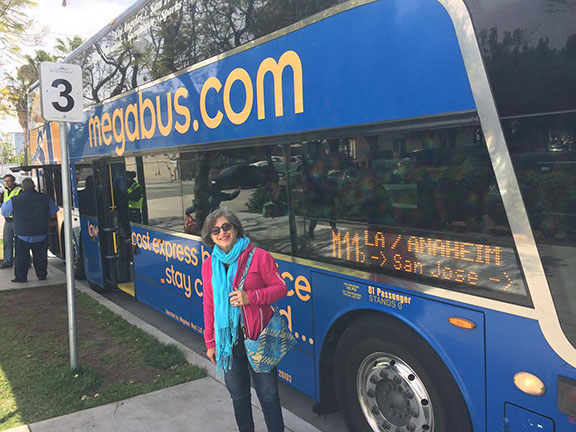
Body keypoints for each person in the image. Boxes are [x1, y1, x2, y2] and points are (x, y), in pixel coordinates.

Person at [201, 208, 287, 432]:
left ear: (236, 228)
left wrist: (251, 297)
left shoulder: (258, 257)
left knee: (268, 395)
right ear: (210, 237)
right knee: (238, 395)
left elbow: (281, 288)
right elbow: (209, 305)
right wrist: (210, 342)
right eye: (215, 230)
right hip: (227, 342)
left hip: (258, 337)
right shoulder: (209, 265)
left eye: (226, 226)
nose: (222, 233)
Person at [1, 178, 58, 282]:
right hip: (41, 232)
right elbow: (53, 212)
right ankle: (41, 275)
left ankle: (21, 277)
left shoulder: (15, 199)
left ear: (22, 188)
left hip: (22, 233)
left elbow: (5, 212)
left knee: (21, 257)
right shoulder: (45, 198)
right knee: (40, 256)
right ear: (34, 187)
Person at [0, 174, 22, 268]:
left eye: (8, 181)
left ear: (13, 181)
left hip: (17, 220)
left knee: (20, 242)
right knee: (7, 241)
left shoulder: (19, 190)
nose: (6, 183)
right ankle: (7, 261)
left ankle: (23, 261)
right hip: (8, 220)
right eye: (5, 181)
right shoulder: (4, 192)